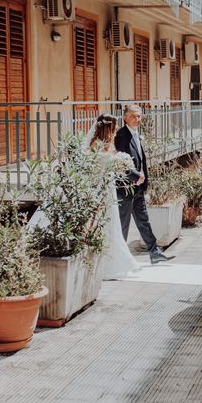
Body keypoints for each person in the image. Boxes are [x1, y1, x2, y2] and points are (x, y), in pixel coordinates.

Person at [115, 105, 175, 265]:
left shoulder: (135, 134)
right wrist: (135, 176)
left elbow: (141, 160)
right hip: (126, 188)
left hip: (138, 187)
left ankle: (154, 252)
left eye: (139, 116)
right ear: (125, 118)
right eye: (134, 116)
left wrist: (144, 180)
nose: (137, 120)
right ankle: (119, 257)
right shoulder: (121, 136)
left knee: (143, 220)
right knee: (123, 224)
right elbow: (121, 162)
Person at [88, 113, 140, 279]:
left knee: (112, 224)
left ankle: (111, 261)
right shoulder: (95, 144)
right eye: (115, 126)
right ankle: (106, 264)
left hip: (107, 188)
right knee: (105, 224)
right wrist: (120, 162)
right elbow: (100, 165)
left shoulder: (105, 144)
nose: (117, 128)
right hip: (100, 190)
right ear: (108, 127)